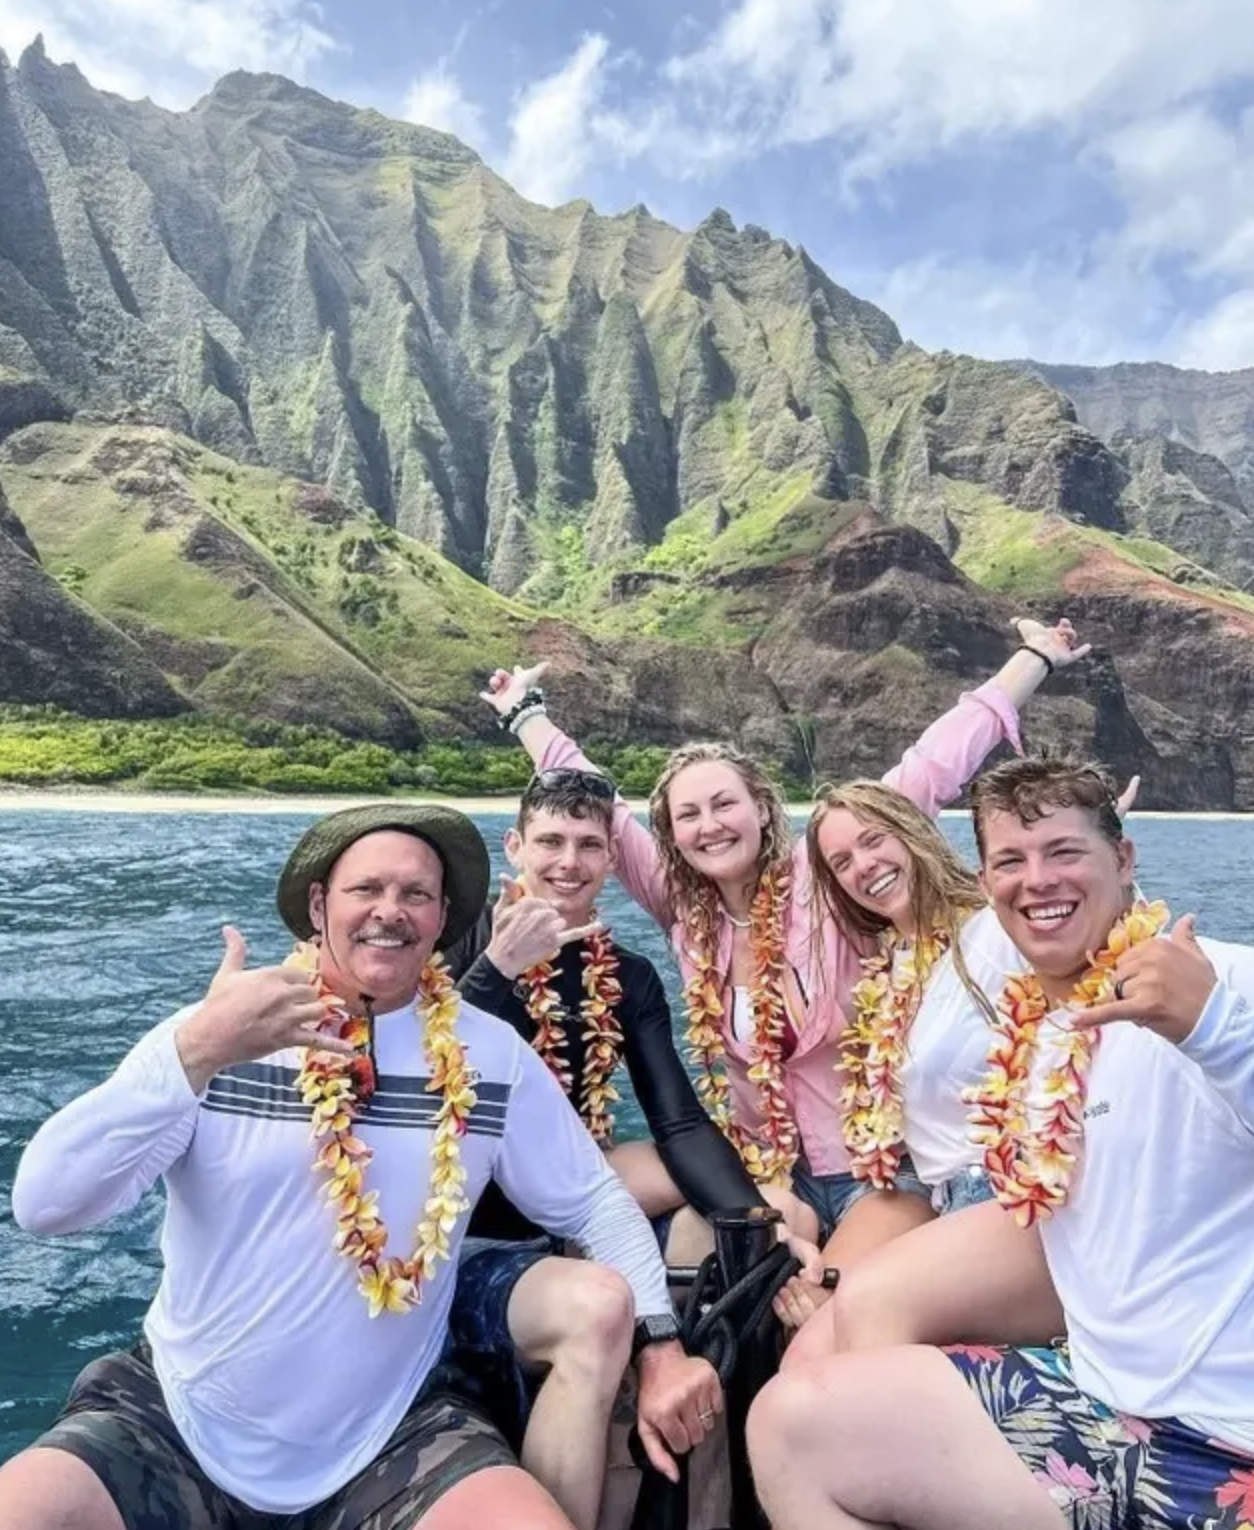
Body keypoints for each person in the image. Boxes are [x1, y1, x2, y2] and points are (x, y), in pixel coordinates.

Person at [3, 804, 717, 1530]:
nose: (390, 912)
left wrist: (660, 1346)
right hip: (177, 1417)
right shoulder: (216, 1035)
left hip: (393, 1428)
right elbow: (46, 1204)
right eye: (365, 890)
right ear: (319, 906)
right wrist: (194, 1052)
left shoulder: (490, 1056)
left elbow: (594, 1201)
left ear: (442, 919)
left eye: (415, 895)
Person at [747, 754, 1254, 1530]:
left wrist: (1216, 1031)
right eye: (1011, 862)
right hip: (1103, 1399)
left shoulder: (1220, 984)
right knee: (788, 1420)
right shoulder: (1041, 1032)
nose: (1036, 880)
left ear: (1125, 860)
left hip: (1224, 1440)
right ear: (987, 881)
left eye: (1065, 853)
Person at [483, 619, 1088, 1263]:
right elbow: (601, 805)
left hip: (874, 1173)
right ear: (673, 837)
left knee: (834, 1300)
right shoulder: (686, 911)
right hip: (766, 1172)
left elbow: (928, 769)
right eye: (688, 816)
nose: (709, 826)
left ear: (762, 809)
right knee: (717, 1267)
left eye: (725, 804)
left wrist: (1033, 660)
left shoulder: (822, 878)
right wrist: (525, 714)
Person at [439, 768, 760, 1528]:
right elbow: (416, 1074)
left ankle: (677, 1346)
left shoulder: (629, 975)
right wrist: (495, 974)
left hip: (569, 1186)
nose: (568, 861)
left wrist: (757, 1221)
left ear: (612, 860)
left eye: (589, 844)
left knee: (743, 1200)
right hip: (465, 1208)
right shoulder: (454, 944)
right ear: (515, 846)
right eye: (550, 841)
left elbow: (676, 1120)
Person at [774, 779, 1064, 1347]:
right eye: (841, 861)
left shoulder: (995, 931)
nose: (864, 865)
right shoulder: (888, 967)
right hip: (939, 1198)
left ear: (912, 833)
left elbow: (1090, 983)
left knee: (830, 1343)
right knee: (806, 1337)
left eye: (874, 839)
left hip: (1010, 1199)